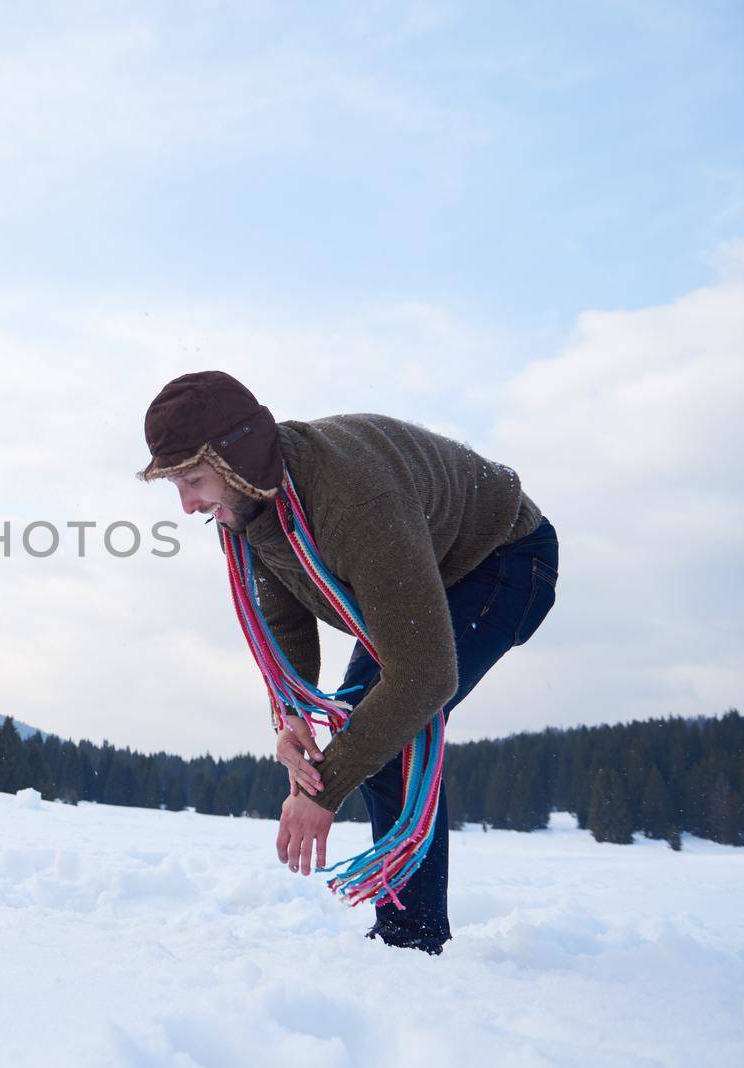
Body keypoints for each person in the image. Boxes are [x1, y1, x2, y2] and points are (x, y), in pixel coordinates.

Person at [139, 371, 557, 954]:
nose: (186, 506)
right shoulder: (251, 505)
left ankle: (410, 942)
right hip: (431, 567)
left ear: (234, 458)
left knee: (392, 728)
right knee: (370, 727)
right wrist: (292, 718)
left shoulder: (354, 500)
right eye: (174, 485)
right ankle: (407, 937)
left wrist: (321, 792)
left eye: (192, 480)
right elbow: (283, 613)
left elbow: (425, 676)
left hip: (502, 560)